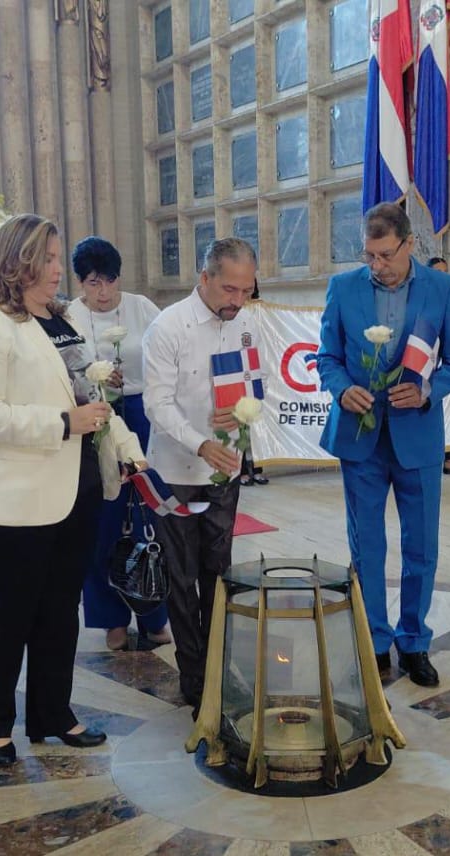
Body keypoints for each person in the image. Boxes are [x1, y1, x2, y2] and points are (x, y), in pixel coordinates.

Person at [0, 213, 138, 767]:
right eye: (49, 259)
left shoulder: (62, 320)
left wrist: (121, 443)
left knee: (58, 609)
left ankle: (53, 713)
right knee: (10, 612)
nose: (58, 270)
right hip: (4, 499)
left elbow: (89, 395)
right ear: (18, 261)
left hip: (72, 488)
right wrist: (61, 423)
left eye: (58, 259)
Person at [316, 203, 450, 688]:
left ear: (409, 245)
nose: (377, 265)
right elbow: (327, 357)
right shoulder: (343, 288)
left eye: (386, 254)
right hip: (360, 437)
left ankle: (415, 641)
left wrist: (429, 390)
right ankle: (375, 642)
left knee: (420, 545)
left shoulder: (443, 289)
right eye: (369, 255)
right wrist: (342, 388)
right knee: (367, 547)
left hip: (417, 436)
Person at [142, 237, 260, 711]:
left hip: (223, 471)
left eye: (246, 290)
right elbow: (157, 404)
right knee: (180, 576)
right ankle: (193, 674)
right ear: (204, 278)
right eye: (229, 289)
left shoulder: (246, 323)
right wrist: (200, 443)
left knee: (218, 571)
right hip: (175, 471)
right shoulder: (167, 327)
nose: (238, 300)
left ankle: (218, 664)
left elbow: (257, 383)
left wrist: (247, 414)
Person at [66, 235, 171, 651]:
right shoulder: (68, 316)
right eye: (93, 283)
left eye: (109, 281)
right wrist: (93, 377)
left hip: (143, 415)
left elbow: (167, 353)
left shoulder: (142, 307)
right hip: (94, 421)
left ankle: (153, 614)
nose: (103, 291)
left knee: (151, 516)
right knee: (103, 520)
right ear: (80, 283)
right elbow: (63, 371)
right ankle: (111, 617)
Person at [426, 256, 450, 476]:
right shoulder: (423, 299)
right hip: (426, 370)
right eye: (438, 272)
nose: (443, 277)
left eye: (446, 272)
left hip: (444, 373)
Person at [237, 279, 269, 488]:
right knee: (239, 426)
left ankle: (257, 468)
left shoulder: (260, 310)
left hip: (256, 369)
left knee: (255, 426)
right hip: (236, 371)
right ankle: (240, 470)